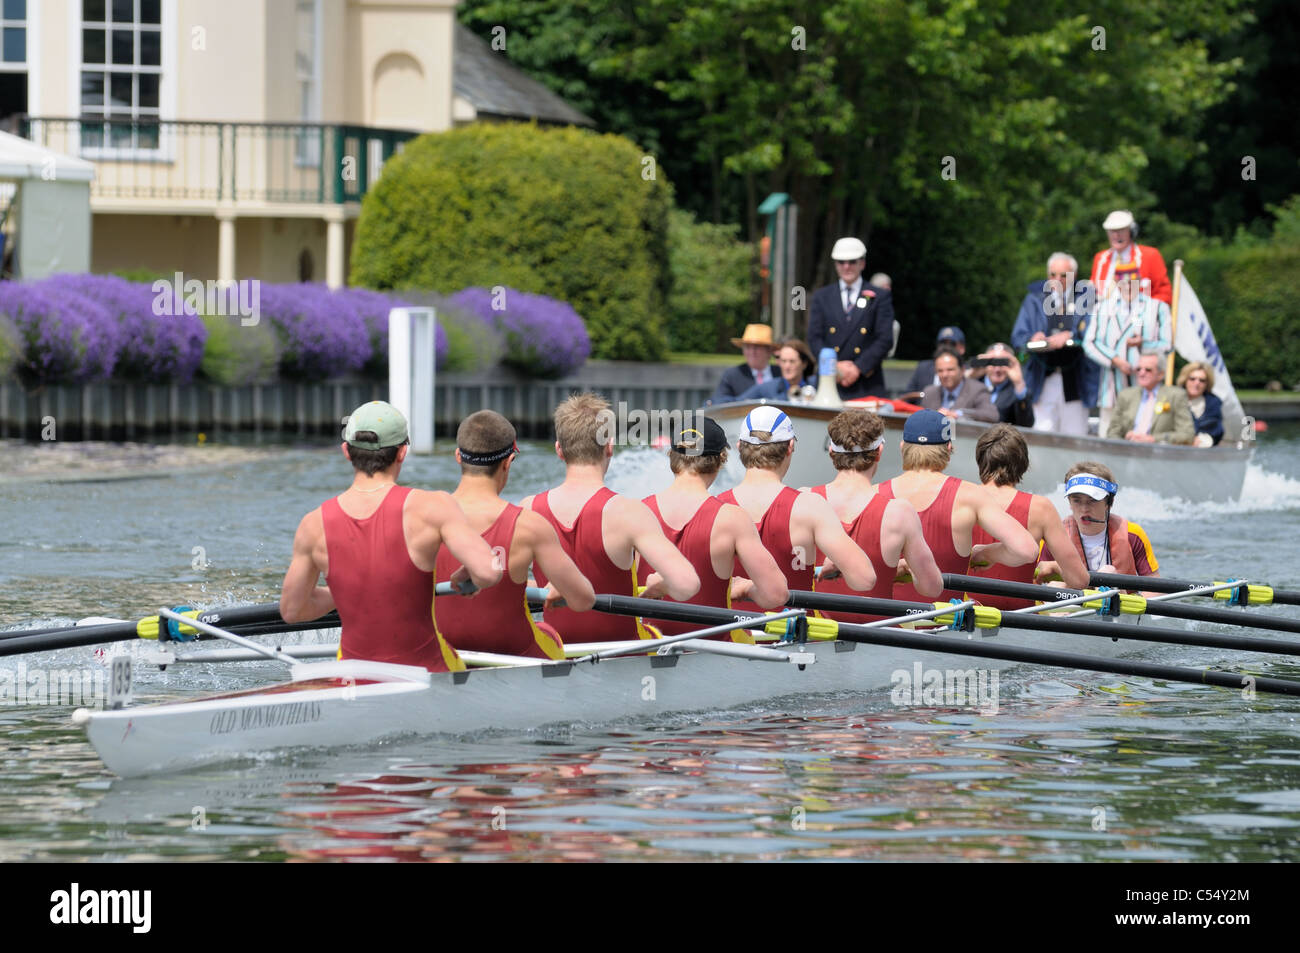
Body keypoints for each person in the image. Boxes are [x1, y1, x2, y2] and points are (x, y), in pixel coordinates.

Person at [279, 400, 502, 673]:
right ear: (402, 453)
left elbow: (292, 611)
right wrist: (467, 573)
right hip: (428, 671)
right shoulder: (433, 506)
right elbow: (489, 573)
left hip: (353, 676)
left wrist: (352, 590)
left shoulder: (313, 525)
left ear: (346, 452)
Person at [522, 393, 700, 643]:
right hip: (622, 654)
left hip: (558, 649)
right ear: (609, 447)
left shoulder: (528, 508)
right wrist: (659, 584)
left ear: (559, 450)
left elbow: (501, 585)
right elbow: (686, 585)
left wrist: (540, 585)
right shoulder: (628, 512)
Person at [434, 410, 595, 660]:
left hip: (443, 651)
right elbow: (583, 600)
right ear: (508, 462)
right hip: (514, 653)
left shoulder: (422, 517)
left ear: (458, 456)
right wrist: (556, 588)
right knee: (549, 633)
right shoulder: (529, 525)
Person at [639, 417, 788, 639]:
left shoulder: (638, 512)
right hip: (712, 654)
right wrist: (747, 589)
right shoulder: (732, 518)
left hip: (647, 652)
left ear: (671, 456)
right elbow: (775, 595)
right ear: (721, 460)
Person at [716, 404, 876, 605]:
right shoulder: (809, 506)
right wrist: (836, 565)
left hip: (727, 632)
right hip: (793, 631)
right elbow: (864, 579)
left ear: (739, 446)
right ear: (790, 447)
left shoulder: (715, 506)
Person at [879, 410, 1038, 604]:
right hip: (945, 625)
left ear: (903, 446)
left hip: (886, 622)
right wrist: (987, 553)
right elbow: (1027, 550)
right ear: (948, 448)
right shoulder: (969, 495)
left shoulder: (875, 494)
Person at [805, 409, 942, 620]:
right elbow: (931, 588)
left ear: (831, 451)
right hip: (877, 637)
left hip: (813, 639)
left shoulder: (803, 499)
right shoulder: (899, 512)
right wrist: (902, 568)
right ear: (879, 451)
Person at [966, 424, 1089, 610]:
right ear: (1023, 464)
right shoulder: (1041, 508)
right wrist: (1056, 568)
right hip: (1022, 618)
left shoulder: (958, 499)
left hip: (962, 617)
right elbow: (1079, 579)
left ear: (980, 460)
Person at [1010, 252, 1098, 435]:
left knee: (1075, 436)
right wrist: (1032, 338)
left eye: (1064, 275)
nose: (1057, 280)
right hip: (1042, 379)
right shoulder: (1034, 298)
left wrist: (1071, 334)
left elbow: (1094, 332)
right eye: (1053, 275)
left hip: (1075, 381)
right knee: (1041, 435)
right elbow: (1018, 337)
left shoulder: (1086, 297)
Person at [1082, 261, 1172, 435]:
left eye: (1133, 282)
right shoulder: (1102, 308)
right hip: (1112, 387)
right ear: (1116, 282)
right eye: (1124, 282)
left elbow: (1167, 344)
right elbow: (1090, 343)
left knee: (1143, 434)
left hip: (1147, 388)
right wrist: (1115, 360)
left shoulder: (1157, 308)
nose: (1128, 287)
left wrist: (1144, 344)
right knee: (1108, 435)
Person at [806, 237, 895, 398]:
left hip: (866, 383)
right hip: (830, 382)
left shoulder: (880, 297)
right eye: (841, 262)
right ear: (835, 264)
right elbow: (814, 338)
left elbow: (885, 339)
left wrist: (858, 367)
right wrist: (835, 366)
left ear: (862, 263)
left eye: (852, 261)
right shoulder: (822, 296)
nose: (846, 266)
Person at [1038, 462, 1159, 579]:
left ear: (1109, 503)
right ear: (1069, 502)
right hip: (1072, 597)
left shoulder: (1133, 534)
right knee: (1056, 585)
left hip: (1119, 597)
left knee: (1109, 572)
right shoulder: (1053, 537)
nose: (1084, 509)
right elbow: (1036, 584)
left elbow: (1154, 586)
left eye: (1093, 500)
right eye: (1077, 500)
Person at [1106, 351, 1195, 444]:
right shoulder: (1125, 395)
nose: (1142, 373)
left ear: (1160, 374)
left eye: (1148, 370)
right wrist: (1124, 441)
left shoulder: (1176, 396)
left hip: (1158, 454)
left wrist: (1153, 439)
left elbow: (1187, 434)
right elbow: (1112, 432)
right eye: (1138, 369)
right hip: (1128, 452)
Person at [1090, 209, 1172, 306]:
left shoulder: (1149, 256)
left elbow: (1165, 294)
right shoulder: (1100, 259)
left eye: (1121, 230)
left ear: (1132, 231)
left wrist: (1146, 310)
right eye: (1112, 231)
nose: (1116, 235)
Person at [919, 349, 999, 422]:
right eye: (940, 371)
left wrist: (958, 414)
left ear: (962, 370)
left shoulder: (977, 389)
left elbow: (992, 415)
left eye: (950, 370)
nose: (945, 375)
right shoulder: (929, 392)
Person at [709, 324, 778, 404]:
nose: (752, 352)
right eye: (748, 347)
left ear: (769, 351)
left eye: (757, 347)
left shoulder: (781, 373)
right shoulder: (732, 375)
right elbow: (719, 402)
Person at [970, 342, 1034, 427]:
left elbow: (1027, 424)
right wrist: (970, 377)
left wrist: (1019, 384)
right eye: (992, 362)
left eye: (1002, 362)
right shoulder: (973, 384)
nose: (997, 369)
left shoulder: (1017, 391)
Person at [736, 338, 817, 402]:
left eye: (792, 361)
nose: (787, 366)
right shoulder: (768, 389)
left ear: (804, 364)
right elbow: (735, 402)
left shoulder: (816, 386)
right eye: (783, 361)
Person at [903, 326, 967, 394]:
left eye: (952, 344)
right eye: (943, 344)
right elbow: (907, 397)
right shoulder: (923, 368)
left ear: (962, 370)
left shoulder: (972, 372)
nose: (947, 347)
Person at [1177, 361, 1224, 447]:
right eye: (1192, 379)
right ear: (1185, 380)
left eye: (1202, 380)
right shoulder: (1174, 400)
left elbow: (1217, 430)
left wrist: (1203, 439)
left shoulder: (1214, 403)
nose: (1197, 383)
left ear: (1207, 383)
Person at [870, 272, 903, 359]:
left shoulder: (886, 300)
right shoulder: (867, 298)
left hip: (882, 336)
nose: (888, 288)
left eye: (888, 285)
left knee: (894, 325)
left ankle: (887, 355)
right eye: (883, 286)